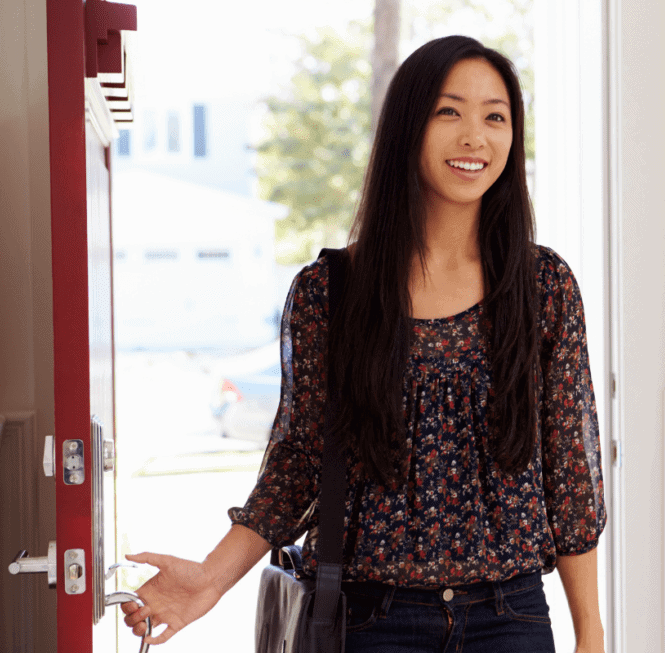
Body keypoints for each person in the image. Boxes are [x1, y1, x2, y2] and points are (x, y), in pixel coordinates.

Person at [121, 35, 607, 653]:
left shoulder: (544, 287)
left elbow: (571, 475)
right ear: (408, 127)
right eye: (448, 111)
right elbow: (296, 462)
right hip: (371, 622)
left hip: (510, 619)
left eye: (495, 116)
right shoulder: (332, 292)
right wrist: (209, 581)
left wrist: (590, 632)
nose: (474, 137)